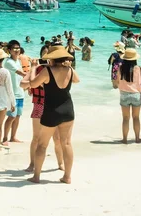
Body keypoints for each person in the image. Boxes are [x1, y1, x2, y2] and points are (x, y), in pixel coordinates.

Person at [28, 46, 80, 184]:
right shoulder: (70, 70)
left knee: (42, 144)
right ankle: (67, 176)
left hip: (51, 110)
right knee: (67, 143)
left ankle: (36, 176)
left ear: (52, 58)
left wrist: (33, 68)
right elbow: (77, 80)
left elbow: (33, 84)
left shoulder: (47, 70)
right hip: (68, 109)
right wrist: (68, 67)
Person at [20, 47, 64, 173]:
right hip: (39, 105)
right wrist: (33, 82)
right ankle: (32, 164)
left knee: (57, 139)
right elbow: (22, 84)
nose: (47, 59)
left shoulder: (58, 70)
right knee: (36, 138)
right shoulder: (37, 70)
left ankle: (60, 163)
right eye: (44, 56)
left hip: (54, 106)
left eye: (49, 56)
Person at [112, 49, 141, 144]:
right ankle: (137, 138)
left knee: (125, 118)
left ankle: (124, 139)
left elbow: (116, 81)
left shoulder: (121, 68)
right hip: (136, 94)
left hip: (124, 94)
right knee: (136, 118)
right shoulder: (138, 68)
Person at [3, 40, 26, 144]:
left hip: (20, 93)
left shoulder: (18, 61)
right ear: (9, 50)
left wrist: (28, 87)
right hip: (11, 94)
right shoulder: (8, 62)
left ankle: (13, 137)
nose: (17, 50)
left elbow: (20, 78)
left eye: (18, 48)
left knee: (17, 116)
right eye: (14, 48)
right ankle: (4, 138)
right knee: (11, 116)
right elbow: (21, 73)